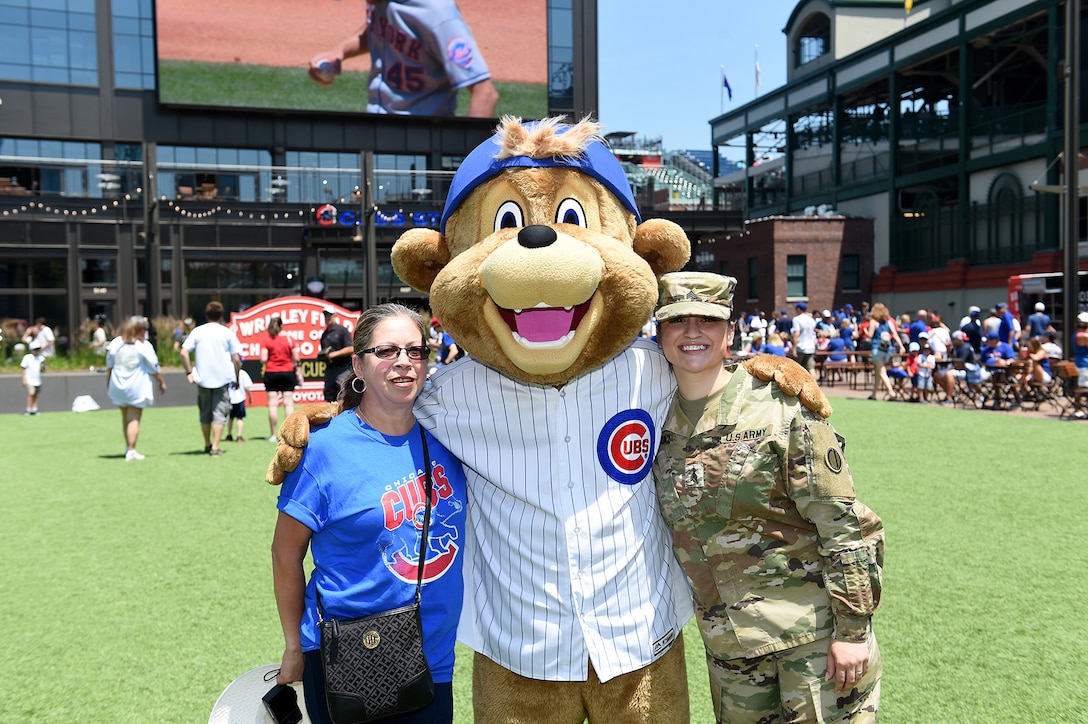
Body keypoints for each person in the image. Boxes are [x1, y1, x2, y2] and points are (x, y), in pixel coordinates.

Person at [650, 272, 884, 723]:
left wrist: (853, 632)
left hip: (811, 640)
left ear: (730, 332)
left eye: (709, 320)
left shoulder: (780, 408)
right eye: (678, 321)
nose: (693, 332)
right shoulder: (651, 419)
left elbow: (843, 525)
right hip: (729, 649)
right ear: (659, 333)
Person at [271, 303, 467, 724]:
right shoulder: (323, 449)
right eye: (387, 351)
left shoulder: (450, 436)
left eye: (415, 351)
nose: (404, 362)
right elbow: (285, 555)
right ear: (358, 363)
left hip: (432, 654)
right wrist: (292, 643)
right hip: (348, 653)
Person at [308, 0, 499, 117]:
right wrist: (339, 51)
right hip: (375, 130)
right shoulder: (385, 3)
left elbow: (485, 93)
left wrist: (471, 166)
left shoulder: (438, 14)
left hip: (421, 136)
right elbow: (379, 28)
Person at [180, 301, 242, 456]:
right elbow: (237, 359)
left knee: (205, 413)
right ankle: (215, 446)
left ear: (206, 315)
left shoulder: (198, 331)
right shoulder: (227, 332)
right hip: (222, 379)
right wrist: (237, 376)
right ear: (221, 315)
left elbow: (183, 352)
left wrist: (189, 372)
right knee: (220, 414)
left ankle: (207, 443)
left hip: (202, 378)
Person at [105, 316, 167, 460]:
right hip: (136, 386)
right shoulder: (143, 346)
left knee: (125, 417)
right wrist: (161, 382)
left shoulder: (116, 343)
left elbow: (109, 365)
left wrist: (108, 382)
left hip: (117, 385)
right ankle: (132, 449)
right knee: (134, 418)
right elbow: (154, 367)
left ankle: (128, 446)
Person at [262, 316, 301, 441]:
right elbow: (297, 357)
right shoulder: (289, 339)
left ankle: (273, 435)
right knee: (288, 403)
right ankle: (287, 435)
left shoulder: (267, 340)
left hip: (271, 373)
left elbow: (263, 359)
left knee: (273, 405)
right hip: (287, 373)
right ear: (282, 326)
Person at [865, 302, 906, 400]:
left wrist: (865, 331)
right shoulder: (889, 322)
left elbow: (870, 335)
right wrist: (901, 346)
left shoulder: (873, 322)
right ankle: (874, 394)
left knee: (882, 371)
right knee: (878, 371)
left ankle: (891, 392)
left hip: (877, 349)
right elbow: (895, 335)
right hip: (888, 349)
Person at [319, 307, 354, 402]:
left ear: (335, 316)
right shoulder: (324, 334)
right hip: (330, 369)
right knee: (329, 396)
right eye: (325, 315)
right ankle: (332, 417)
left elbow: (351, 348)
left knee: (345, 395)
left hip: (343, 368)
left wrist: (333, 355)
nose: (327, 317)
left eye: (329, 315)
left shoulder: (342, 330)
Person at [226, 363, 254, 443]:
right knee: (240, 418)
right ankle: (239, 436)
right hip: (240, 399)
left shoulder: (228, 373)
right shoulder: (243, 373)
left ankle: (229, 435)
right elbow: (247, 387)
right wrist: (250, 397)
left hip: (230, 399)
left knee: (230, 418)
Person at [20, 340, 45, 415]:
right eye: (35, 349)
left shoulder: (41, 358)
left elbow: (43, 370)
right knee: (31, 393)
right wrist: (24, 379)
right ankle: (28, 409)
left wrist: (43, 367)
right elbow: (23, 369)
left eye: (38, 349)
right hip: (29, 379)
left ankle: (34, 409)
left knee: (35, 394)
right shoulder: (27, 357)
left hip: (38, 380)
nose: (37, 351)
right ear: (31, 350)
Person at [790, 302, 817, 372]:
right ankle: (814, 383)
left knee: (797, 370)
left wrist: (794, 348)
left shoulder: (796, 319)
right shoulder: (811, 320)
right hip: (810, 348)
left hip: (800, 347)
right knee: (811, 369)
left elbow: (796, 334)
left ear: (799, 309)